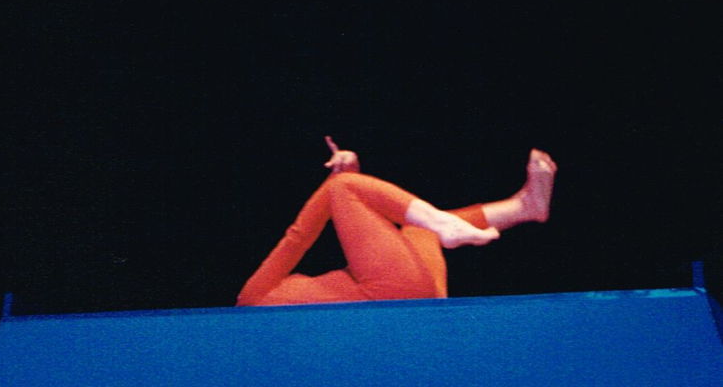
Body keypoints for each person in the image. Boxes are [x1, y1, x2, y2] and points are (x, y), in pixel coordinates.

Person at [237, 137, 558, 306]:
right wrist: (341, 183)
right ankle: (444, 223)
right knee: (344, 189)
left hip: (419, 298)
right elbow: (298, 237)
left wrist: (347, 180)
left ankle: (525, 207)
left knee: (418, 228)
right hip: (394, 293)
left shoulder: (266, 309)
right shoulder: (251, 299)